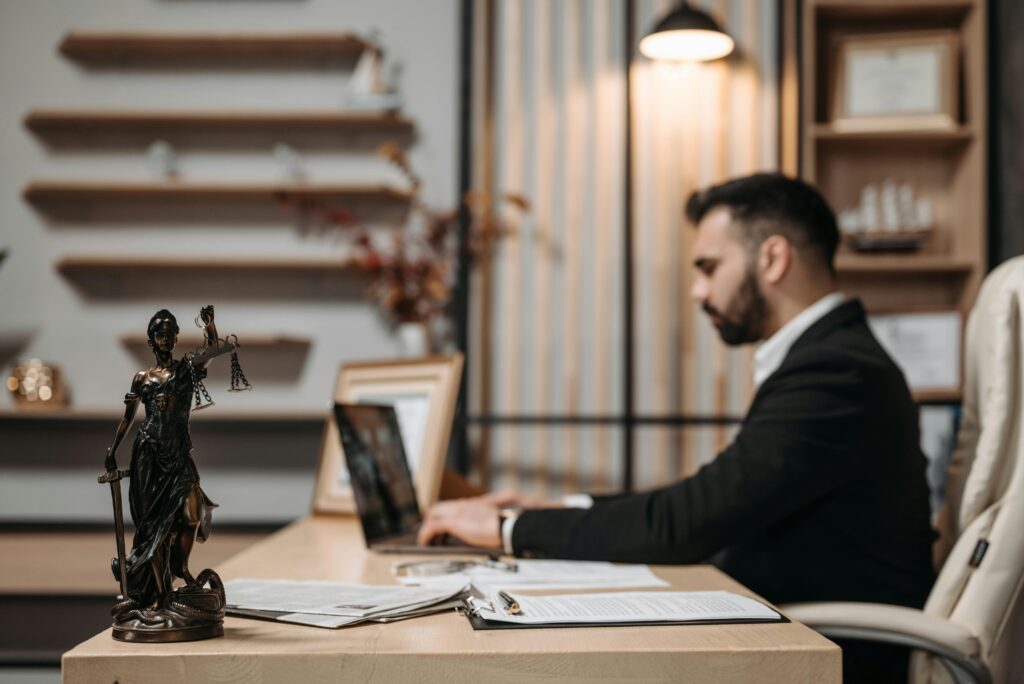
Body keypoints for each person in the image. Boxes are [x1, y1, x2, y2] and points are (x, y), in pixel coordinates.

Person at [417, 173, 936, 681]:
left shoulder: (835, 372)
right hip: (786, 633)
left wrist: (508, 529)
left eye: (709, 268)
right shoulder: (831, 358)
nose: (696, 290)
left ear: (773, 259)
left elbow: (686, 523)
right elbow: (703, 501)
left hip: (826, 656)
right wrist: (554, 509)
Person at [104, 307, 219, 614]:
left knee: (192, 512)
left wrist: (210, 326)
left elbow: (211, 351)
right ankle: (163, 592)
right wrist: (112, 451)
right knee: (154, 528)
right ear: (151, 340)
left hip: (179, 453)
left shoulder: (186, 370)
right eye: (160, 333)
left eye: (170, 333)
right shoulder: (142, 378)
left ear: (176, 337)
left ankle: (180, 568)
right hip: (148, 455)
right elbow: (129, 417)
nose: (166, 338)